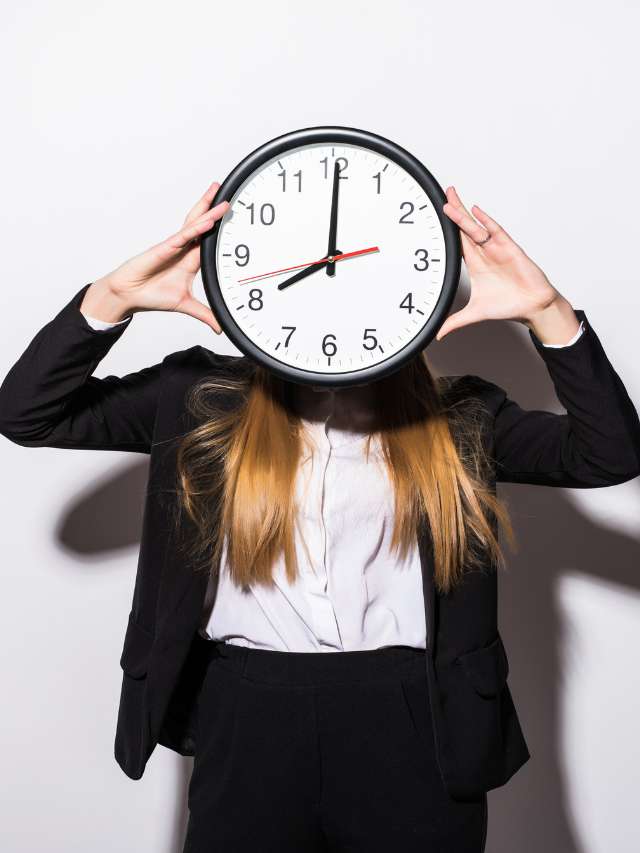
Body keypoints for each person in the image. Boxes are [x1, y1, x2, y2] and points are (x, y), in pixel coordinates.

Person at [1, 180, 638, 853]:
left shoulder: (460, 419)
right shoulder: (199, 399)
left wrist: (546, 310)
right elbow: (28, 412)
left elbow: (609, 452)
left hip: (410, 719)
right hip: (248, 714)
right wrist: (113, 298)